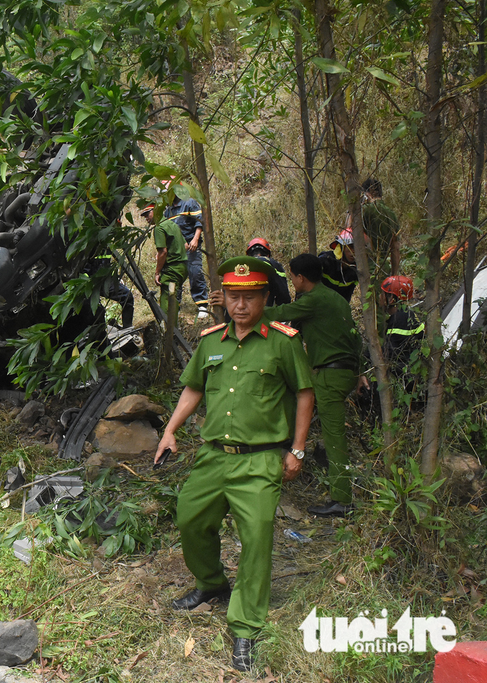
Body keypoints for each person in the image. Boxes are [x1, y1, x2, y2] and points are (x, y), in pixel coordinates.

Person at [155, 256, 314, 673]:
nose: (241, 305)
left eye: (250, 297)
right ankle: (211, 584)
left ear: (264, 297)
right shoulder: (210, 341)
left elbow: (303, 394)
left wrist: (297, 450)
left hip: (261, 460)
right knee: (190, 519)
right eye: (233, 296)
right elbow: (193, 388)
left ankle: (245, 625)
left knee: (257, 539)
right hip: (212, 457)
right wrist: (170, 430)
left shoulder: (284, 341)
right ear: (222, 297)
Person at [261, 253, 365, 517]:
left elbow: (280, 313)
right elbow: (354, 337)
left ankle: (342, 499)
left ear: (300, 277)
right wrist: (361, 371)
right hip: (344, 372)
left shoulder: (313, 300)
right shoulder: (335, 298)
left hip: (330, 376)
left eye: (293, 277)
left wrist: (242, 308)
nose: (293, 281)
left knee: (334, 438)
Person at [164, 186, 210, 319]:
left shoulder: (189, 202)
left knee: (195, 272)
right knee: (176, 276)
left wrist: (195, 239)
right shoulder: (168, 210)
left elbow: (199, 221)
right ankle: (175, 306)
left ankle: (202, 304)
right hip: (176, 248)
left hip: (191, 246)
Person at [140, 204, 188, 333]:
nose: (146, 218)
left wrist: (157, 272)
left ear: (156, 211)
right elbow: (186, 245)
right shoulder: (172, 224)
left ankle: (170, 335)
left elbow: (163, 252)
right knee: (174, 299)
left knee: (167, 302)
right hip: (183, 267)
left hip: (172, 269)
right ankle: (174, 332)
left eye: (147, 214)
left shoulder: (159, 228)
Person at [379, 274, 423, 387]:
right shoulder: (406, 314)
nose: (380, 297)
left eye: (383, 294)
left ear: (391, 299)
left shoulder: (399, 320)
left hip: (408, 379)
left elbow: (388, 353)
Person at [360, 177, 401, 276]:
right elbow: (395, 248)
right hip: (384, 268)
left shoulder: (364, 210)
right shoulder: (392, 214)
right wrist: (394, 275)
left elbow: (348, 234)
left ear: (367, 194)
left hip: (367, 266)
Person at [245, 237, 291, 307]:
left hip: (243, 312)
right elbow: (283, 294)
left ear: (248, 255)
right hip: (266, 313)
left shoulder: (241, 266)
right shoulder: (274, 265)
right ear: (268, 254)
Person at [317, 229, 358, 302]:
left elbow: (347, 297)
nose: (354, 251)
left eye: (357, 247)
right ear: (341, 247)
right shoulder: (326, 261)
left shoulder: (357, 269)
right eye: (350, 247)